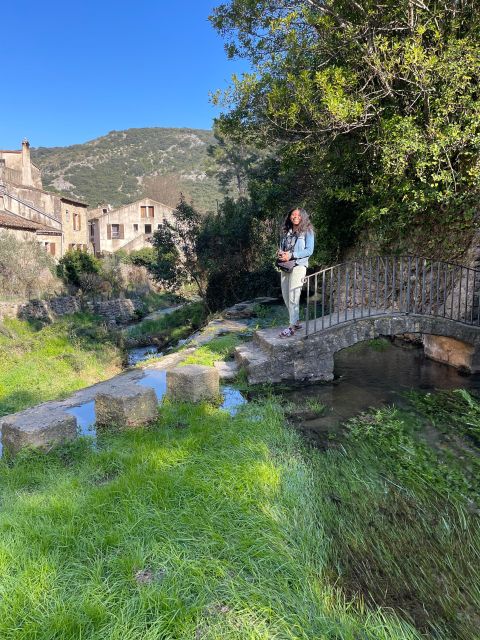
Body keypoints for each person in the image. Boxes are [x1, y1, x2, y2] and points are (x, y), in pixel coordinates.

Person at [277, 207, 315, 338]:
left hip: (299, 266)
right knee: (286, 295)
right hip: (286, 266)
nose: (295, 216)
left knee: (294, 296)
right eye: (293, 214)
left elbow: (309, 251)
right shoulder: (287, 231)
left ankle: (291, 327)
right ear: (289, 217)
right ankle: (297, 321)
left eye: (298, 215)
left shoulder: (308, 231)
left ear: (303, 217)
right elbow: (283, 247)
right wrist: (281, 253)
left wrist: (292, 255)